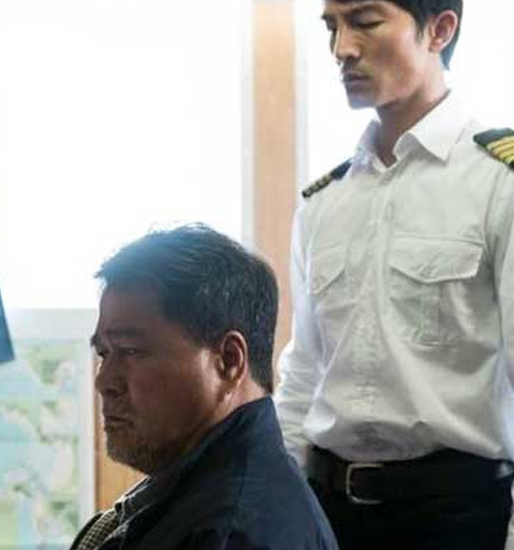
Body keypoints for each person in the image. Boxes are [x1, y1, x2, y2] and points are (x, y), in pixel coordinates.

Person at [274, 0, 514, 549]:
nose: (342, 48)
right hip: (329, 515)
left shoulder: (510, 181)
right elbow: (303, 378)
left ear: (439, 29)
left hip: (456, 518)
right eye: (331, 26)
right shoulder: (326, 200)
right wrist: (283, 521)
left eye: (365, 22)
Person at [72, 224, 338, 550]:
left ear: (228, 360)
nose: (104, 382)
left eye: (131, 351)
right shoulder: (193, 488)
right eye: (103, 353)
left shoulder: (233, 533)